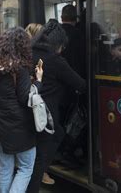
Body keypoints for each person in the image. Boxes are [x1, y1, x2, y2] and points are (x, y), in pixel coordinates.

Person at [0, 27, 43, 193]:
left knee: (5, 165)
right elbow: (24, 98)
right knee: (26, 167)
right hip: (19, 126)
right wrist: (38, 82)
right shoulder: (20, 69)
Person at [28, 20, 86, 193]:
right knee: (40, 158)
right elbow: (80, 84)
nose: (62, 51)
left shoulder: (29, 53)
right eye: (62, 47)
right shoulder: (55, 60)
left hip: (28, 111)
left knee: (38, 151)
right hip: (46, 116)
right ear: (57, 44)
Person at [60, 5, 85, 75]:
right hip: (75, 73)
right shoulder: (79, 34)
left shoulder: (54, 32)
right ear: (75, 18)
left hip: (58, 75)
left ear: (61, 18)